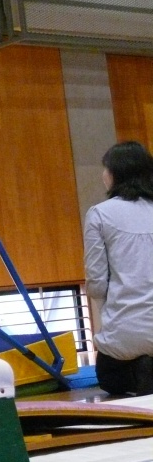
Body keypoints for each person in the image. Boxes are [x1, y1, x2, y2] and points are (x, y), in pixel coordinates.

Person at [84, 141, 153, 396]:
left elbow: (96, 283)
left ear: (115, 174)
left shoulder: (99, 214)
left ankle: (139, 373)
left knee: (108, 376)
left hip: (124, 336)